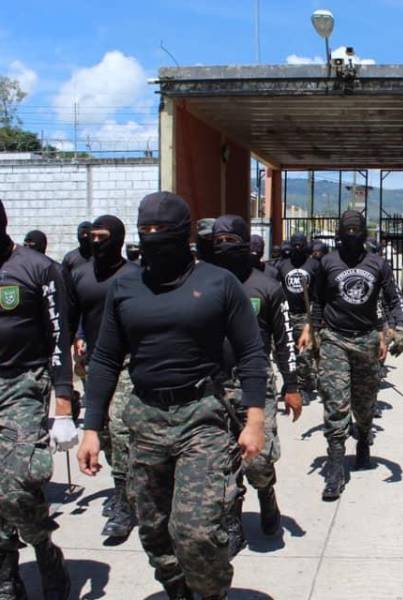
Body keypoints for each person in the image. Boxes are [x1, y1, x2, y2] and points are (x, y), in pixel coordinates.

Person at [77, 192, 268, 600]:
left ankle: (212, 592)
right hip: (144, 417)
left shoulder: (218, 282)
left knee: (197, 531)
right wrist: (91, 427)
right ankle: (177, 591)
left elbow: (251, 351)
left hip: (202, 416)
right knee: (155, 531)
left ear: (184, 235)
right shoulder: (125, 286)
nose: (153, 238)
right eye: (145, 231)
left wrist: (255, 420)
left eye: (162, 231)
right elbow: (106, 359)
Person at [298, 210, 403, 501]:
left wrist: (397, 328)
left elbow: (393, 301)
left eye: (356, 230)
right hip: (334, 338)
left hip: (367, 340)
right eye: (346, 230)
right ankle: (335, 466)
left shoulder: (378, 264)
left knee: (365, 401)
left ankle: (363, 442)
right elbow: (318, 301)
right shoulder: (327, 263)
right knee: (336, 401)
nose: (351, 235)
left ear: (364, 233)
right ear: (338, 233)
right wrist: (311, 328)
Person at [0, 199, 76, 600]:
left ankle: (44, 550)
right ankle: (6, 573)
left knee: (17, 483)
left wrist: (63, 399)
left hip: (22, 383)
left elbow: (59, 334)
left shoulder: (37, 268)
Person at [210, 215, 302, 540]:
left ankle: (267, 495)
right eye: (217, 241)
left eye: (230, 241)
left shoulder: (267, 287)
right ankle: (232, 521)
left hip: (256, 384)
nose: (223, 247)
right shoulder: (203, 284)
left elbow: (285, 339)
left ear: (246, 244)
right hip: (213, 386)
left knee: (257, 461)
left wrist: (291, 385)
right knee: (222, 461)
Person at [67, 215, 140, 539]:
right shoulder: (79, 275)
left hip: (128, 363)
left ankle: (127, 505)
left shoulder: (134, 276)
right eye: (92, 236)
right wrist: (76, 339)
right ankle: (122, 489)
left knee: (122, 430)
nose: (96, 241)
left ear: (119, 238)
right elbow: (73, 317)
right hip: (94, 362)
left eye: (103, 236)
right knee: (105, 434)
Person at [277, 233, 320, 405]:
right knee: (285, 352)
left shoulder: (314, 266)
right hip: (287, 313)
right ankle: (290, 383)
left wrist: (315, 319)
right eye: (294, 246)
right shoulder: (282, 265)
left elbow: (318, 293)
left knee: (304, 353)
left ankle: (304, 386)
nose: (297, 249)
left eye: (300, 246)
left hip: (306, 313)